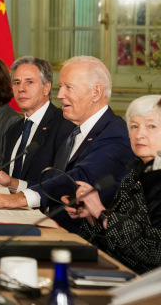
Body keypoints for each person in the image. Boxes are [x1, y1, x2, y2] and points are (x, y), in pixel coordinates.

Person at [0, 56, 135, 231]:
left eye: (69, 87)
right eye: (60, 87)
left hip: (88, 240)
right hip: (56, 229)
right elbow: (54, 181)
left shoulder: (116, 133)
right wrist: (14, 184)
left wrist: (20, 198)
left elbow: (78, 179)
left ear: (96, 93)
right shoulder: (76, 131)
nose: (60, 95)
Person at [63, 95, 161, 274]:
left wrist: (101, 212)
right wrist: (92, 216)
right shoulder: (137, 170)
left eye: (151, 126)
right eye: (134, 126)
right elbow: (120, 235)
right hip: (110, 266)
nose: (139, 134)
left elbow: (156, 249)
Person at [0, 56, 74, 188]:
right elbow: (10, 177)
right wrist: (1, 183)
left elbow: (59, 183)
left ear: (46, 87)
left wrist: (13, 184)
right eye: (17, 82)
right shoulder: (14, 129)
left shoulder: (63, 125)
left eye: (29, 82)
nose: (21, 89)